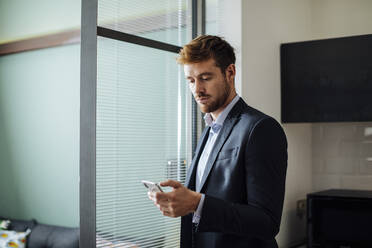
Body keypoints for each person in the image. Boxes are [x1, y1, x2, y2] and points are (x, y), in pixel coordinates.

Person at [148, 35, 288, 248]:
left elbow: (267, 222)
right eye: (191, 80)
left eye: (205, 78)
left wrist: (196, 203)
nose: (197, 89)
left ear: (230, 72)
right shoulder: (208, 130)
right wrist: (183, 203)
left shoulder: (261, 129)